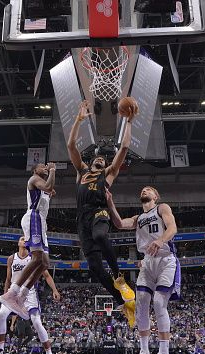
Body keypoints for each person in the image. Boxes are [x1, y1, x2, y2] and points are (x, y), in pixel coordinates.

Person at [67, 100, 137, 327]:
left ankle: (118, 276)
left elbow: (124, 148)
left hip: (99, 211)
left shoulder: (107, 175)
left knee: (100, 236)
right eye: (96, 158)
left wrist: (129, 121)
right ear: (91, 161)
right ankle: (123, 302)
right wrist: (78, 120)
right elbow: (71, 146)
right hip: (81, 218)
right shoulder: (81, 171)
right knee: (95, 267)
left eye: (103, 159)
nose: (100, 159)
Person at [106, 186, 179, 354]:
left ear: (156, 195)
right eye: (143, 190)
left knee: (159, 303)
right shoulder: (138, 219)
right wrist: (110, 201)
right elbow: (120, 224)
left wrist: (160, 240)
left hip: (165, 260)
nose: (144, 191)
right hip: (147, 262)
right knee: (141, 305)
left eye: (149, 189)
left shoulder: (162, 208)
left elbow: (173, 228)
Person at [0, 163, 56, 319]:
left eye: (46, 167)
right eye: (42, 166)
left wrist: (49, 191)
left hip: (41, 222)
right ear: (34, 170)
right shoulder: (34, 179)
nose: (45, 167)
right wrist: (52, 170)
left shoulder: (42, 186)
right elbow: (49, 185)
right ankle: (12, 293)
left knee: (45, 263)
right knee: (37, 258)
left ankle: (21, 295)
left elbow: (49, 187)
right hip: (33, 218)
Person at [0, 237, 61, 354]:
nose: (23, 240)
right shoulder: (11, 258)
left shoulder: (34, 258)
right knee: (1, 315)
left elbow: (46, 275)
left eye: (25, 239)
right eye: (21, 238)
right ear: (18, 243)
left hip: (29, 294)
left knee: (36, 323)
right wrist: (5, 294)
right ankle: (0, 350)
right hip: (13, 291)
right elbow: (8, 279)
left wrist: (54, 290)